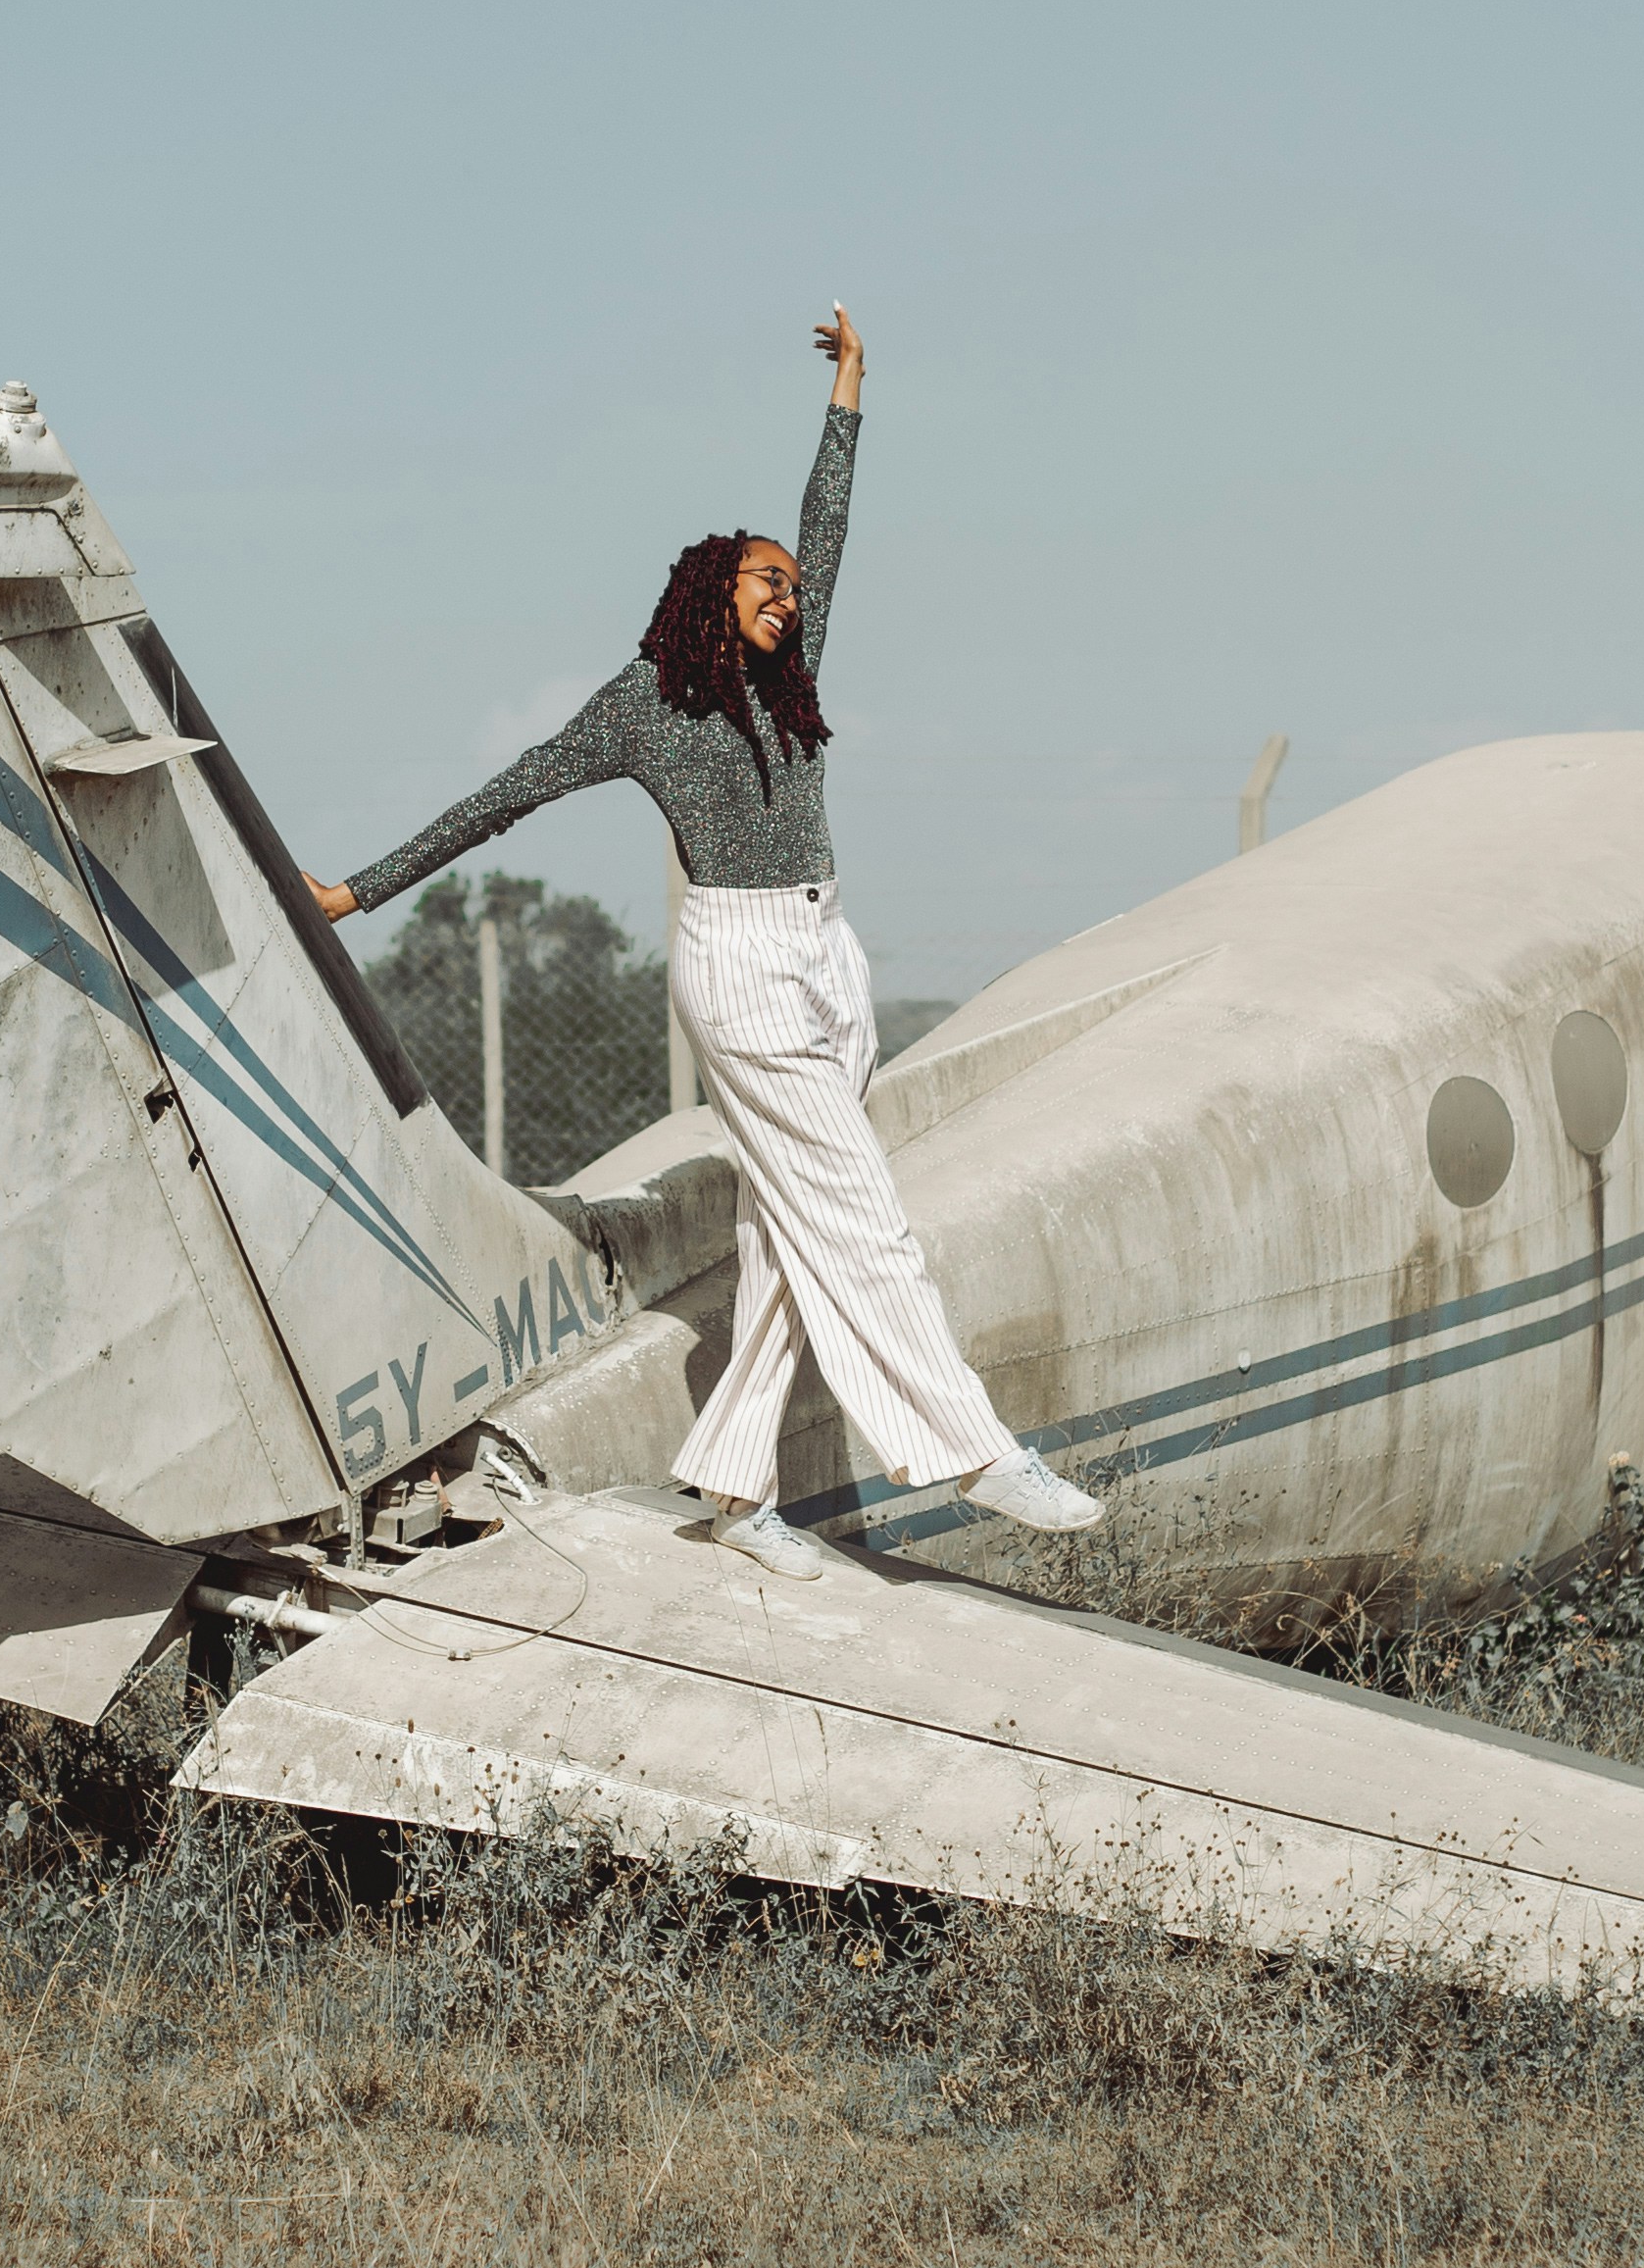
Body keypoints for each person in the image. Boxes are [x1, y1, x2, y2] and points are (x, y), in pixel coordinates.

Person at [311, 306, 1104, 1580]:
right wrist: (359, 889)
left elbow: (832, 518)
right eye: (765, 582)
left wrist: (850, 387)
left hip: (828, 956)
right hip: (739, 972)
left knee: (794, 1233)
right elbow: (504, 793)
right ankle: (968, 1446)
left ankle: (735, 1489)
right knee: (860, 1212)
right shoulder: (642, 705)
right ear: (709, 595)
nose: (791, 597)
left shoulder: (798, 668)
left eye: (794, 586)